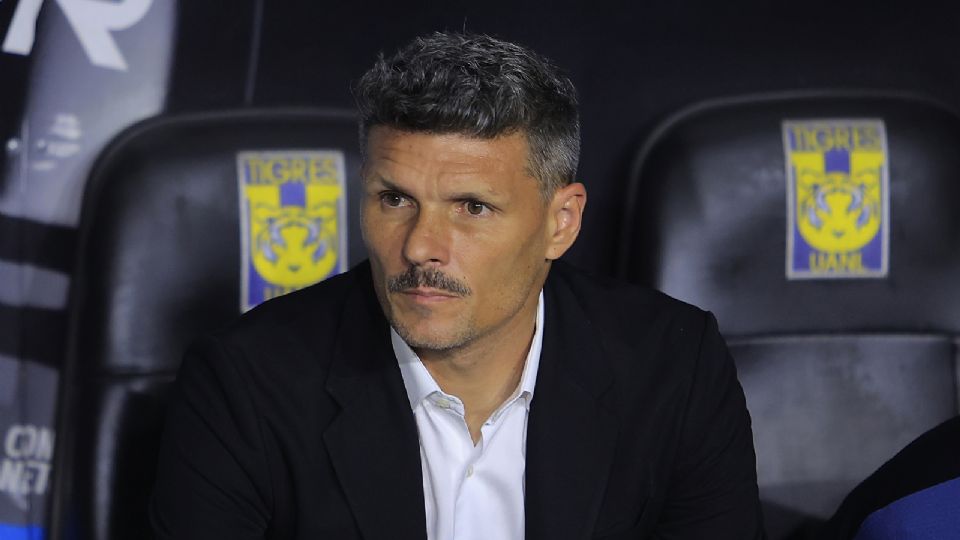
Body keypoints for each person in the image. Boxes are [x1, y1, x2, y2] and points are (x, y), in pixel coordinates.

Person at [150, 32, 763, 539]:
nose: (419, 246)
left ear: (561, 223)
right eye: (394, 199)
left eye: (471, 207)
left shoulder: (673, 365)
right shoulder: (244, 384)